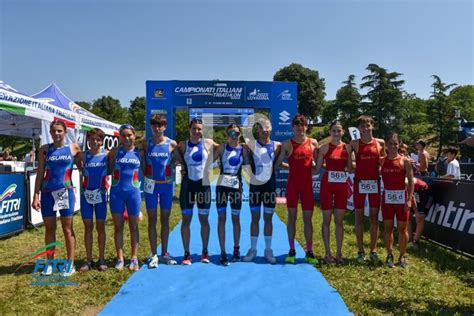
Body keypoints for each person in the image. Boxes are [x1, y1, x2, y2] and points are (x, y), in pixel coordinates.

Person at [31, 120, 81, 276]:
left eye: (60, 131)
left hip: (66, 192)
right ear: (50, 133)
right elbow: (40, 174)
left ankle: (70, 263)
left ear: (65, 132)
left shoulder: (73, 148)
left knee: (67, 229)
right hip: (47, 193)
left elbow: (82, 166)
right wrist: (36, 195)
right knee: (49, 229)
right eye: (53, 131)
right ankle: (50, 262)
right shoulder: (45, 150)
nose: (56, 134)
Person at [275, 114, 319, 264]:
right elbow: (278, 162)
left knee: (308, 219)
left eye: (303, 125)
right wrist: (290, 167)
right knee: (292, 217)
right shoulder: (287, 144)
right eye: (297, 125)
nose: (300, 128)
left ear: (306, 127)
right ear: (293, 127)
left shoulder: (313, 143)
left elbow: (318, 165)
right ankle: (292, 249)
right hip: (293, 185)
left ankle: (309, 251)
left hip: (307, 186)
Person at [177, 118, 219, 265]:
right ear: (190, 129)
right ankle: (186, 254)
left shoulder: (207, 143)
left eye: (199, 129)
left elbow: (224, 149)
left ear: (202, 130)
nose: (196, 131)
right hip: (188, 185)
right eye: (194, 128)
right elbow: (173, 156)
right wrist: (181, 165)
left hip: (203, 186)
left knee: (204, 219)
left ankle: (205, 252)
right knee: (186, 220)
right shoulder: (182, 145)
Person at [347, 115, 385, 264]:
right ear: (359, 129)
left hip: (374, 183)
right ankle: (360, 250)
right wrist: (351, 167)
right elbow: (345, 158)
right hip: (359, 183)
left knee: (374, 218)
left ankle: (373, 250)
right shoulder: (354, 143)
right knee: (359, 218)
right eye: (362, 126)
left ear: (372, 126)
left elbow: (383, 161)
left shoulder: (380, 142)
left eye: (368, 125)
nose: (366, 128)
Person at [142, 114, 178, 267]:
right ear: (151, 126)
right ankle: (154, 254)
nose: (157, 128)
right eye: (154, 125)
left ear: (165, 126)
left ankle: (164, 252)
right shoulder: (146, 143)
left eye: (160, 125)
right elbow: (143, 163)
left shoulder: (172, 144)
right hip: (151, 186)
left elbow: (177, 161)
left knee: (165, 219)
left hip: (166, 186)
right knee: (152, 220)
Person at [243, 119, 281, 264]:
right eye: (262, 128)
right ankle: (253, 249)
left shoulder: (277, 145)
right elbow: (245, 161)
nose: (265, 130)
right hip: (255, 186)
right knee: (255, 218)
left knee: (268, 218)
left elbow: (281, 160)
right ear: (257, 130)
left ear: (271, 129)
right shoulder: (251, 145)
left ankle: (268, 249)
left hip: (270, 185)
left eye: (267, 127)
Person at [314, 120, 351, 265]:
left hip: (341, 186)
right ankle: (327, 253)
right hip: (327, 186)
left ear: (343, 132)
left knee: (339, 221)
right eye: (334, 131)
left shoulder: (347, 148)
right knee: (327, 220)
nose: (336, 133)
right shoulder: (323, 148)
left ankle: (339, 253)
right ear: (330, 132)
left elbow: (350, 168)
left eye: (339, 131)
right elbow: (317, 169)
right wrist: (298, 170)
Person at [108, 124, 142, 271]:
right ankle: (120, 258)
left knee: (134, 227)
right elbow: (109, 169)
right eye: (123, 135)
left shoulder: (140, 152)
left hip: (133, 193)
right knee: (118, 227)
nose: (127, 138)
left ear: (134, 135)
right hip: (116, 193)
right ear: (119, 137)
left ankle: (134, 258)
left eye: (130, 135)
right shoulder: (115, 151)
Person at [214, 124, 247, 266]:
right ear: (227, 134)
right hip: (222, 185)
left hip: (236, 186)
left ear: (240, 135)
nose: (234, 136)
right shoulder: (222, 148)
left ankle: (236, 249)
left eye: (237, 134)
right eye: (231, 134)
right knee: (222, 218)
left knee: (235, 218)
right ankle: (222, 252)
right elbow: (207, 161)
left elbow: (250, 165)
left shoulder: (244, 149)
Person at [76, 128, 109, 272]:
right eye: (92, 139)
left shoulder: (106, 155)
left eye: (98, 139)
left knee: (100, 227)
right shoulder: (83, 155)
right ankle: (89, 260)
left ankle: (101, 258)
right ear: (88, 140)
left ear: (102, 141)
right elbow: (78, 164)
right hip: (86, 195)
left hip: (100, 195)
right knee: (88, 227)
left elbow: (112, 169)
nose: (95, 142)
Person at [381, 133, 414, 268]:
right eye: (390, 144)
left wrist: (409, 200)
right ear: (386, 145)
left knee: (402, 228)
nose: (393, 146)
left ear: (399, 145)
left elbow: (411, 182)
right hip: (387, 198)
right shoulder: (382, 160)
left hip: (402, 198)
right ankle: (389, 254)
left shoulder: (404, 161)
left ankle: (402, 256)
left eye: (395, 144)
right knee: (388, 228)